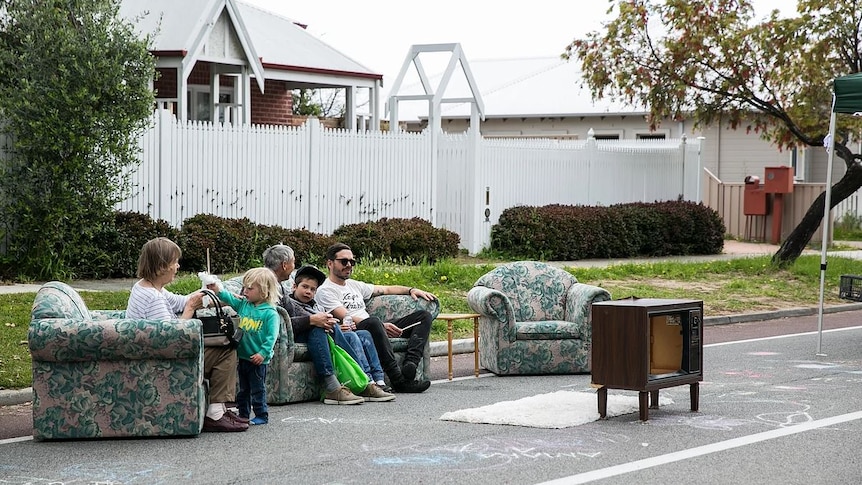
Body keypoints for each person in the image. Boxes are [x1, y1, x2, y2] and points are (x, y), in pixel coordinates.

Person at [125, 237, 248, 432]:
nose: (178, 266)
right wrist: (190, 309)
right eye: (174, 262)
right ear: (161, 266)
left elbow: (181, 302)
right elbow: (172, 339)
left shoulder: (148, 287)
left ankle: (221, 409)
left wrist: (221, 297)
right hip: (165, 362)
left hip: (153, 355)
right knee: (226, 351)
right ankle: (216, 413)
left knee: (223, 347)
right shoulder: (153, 298)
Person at [316, 243, 433, 393]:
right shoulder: (325, 290)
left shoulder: (354, 285)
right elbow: (346, 316)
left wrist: (411, 290)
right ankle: (398, 380)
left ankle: (410, 364)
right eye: (344, 261)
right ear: (330, 263)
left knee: (423, 316)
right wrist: (382, 326)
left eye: (352, 262)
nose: (349, 265)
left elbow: (386, 289)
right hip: (356, 329)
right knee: (373, 322)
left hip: (376, 327)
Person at [261, 244, 364, 405]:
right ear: (284, 264)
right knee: (318, 328)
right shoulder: (265, 284)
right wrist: (311, 320)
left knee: (327, 325)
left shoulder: (277, 284)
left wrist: (319, 318)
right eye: (294, 262)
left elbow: (292, 315)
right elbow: (274, 323)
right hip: (272, 338)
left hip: (287, 334)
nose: (294, 267)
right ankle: (337, 385)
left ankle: (359, 378)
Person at [290, 264, 394, 402]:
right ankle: (332, 387)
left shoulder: (316, 306)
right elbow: (283, 323)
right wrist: (312, 321)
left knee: (358, 334)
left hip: (325, 335)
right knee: (319, 328)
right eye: (304, 287)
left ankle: (365, 381)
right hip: (302, 336)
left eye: (312, 289)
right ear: (294, 287)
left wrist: (336, 325)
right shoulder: (289, 302)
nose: (308, 291)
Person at [209, 267, 281, 425]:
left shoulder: (270, 313)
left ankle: (262, 414)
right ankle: (243, 414)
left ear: (264, 291)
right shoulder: (244, 305)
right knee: (243, 389)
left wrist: (263, 353)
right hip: (242, 356)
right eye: (244, 287)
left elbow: (271, 337)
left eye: (250, 288)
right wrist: (217, 289)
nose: (245, 291)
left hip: (257, 359)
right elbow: (229, 298)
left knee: (257, 388)